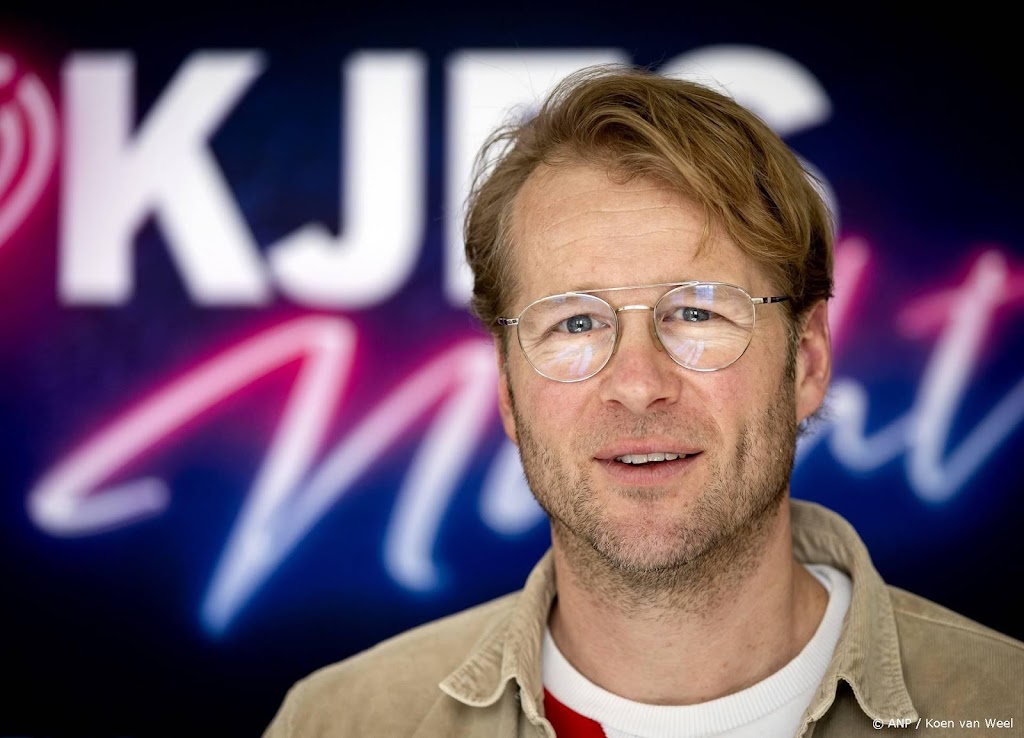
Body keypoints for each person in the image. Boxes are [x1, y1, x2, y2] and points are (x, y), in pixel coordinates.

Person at [262, 65, 1023, 737]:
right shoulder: (340, 724)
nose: (636, 383)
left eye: (696, 313)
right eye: (575, 323)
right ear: (507, 387)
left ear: (809, 361)